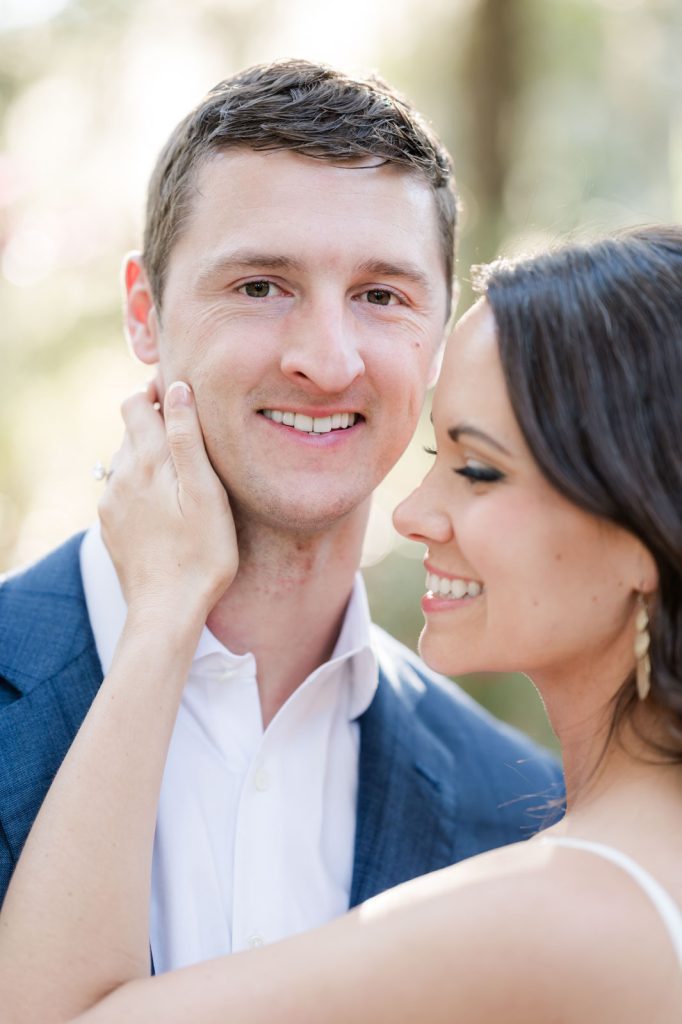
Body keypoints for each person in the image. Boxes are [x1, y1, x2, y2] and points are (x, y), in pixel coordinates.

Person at [1, 225, 679, 1023]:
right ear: (145, 311)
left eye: (478, 470)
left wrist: (161, 615)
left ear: (651, 533)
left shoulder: (561, 910)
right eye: (258, 286)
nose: (415, 511)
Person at [0, 58, 560, 972]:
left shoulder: (517, 809)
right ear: (146, 311)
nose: (328, 360)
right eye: (262, 286)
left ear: (438, 333)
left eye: (381, 296)